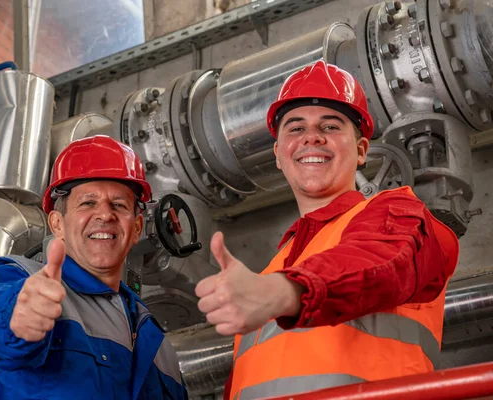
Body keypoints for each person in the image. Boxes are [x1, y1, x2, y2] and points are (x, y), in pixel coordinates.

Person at [195, 60, 459, 399]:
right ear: (279, 155)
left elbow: (378, 258)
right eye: (295, 128)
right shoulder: (272, 271)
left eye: (331, 126)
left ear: (362, 150)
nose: (312, 137)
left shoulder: (398, 214)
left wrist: (282, 293)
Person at [0, 135, 188, 400]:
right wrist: (19, 320)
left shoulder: (160, 346)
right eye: (88, 203)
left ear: (137, 228)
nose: (105, 215)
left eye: (119, 204)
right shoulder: (20, 279)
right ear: (58, 224)